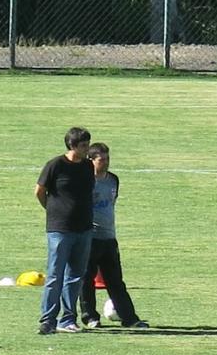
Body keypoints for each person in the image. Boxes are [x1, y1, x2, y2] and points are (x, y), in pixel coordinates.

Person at [79, 142, 148, 328]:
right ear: (91, 160)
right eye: (102, 159)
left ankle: (130, 318)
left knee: (115, 280)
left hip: (109, 237)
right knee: (87, 280)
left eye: (108, 158)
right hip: (89, 237)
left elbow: (112, 203)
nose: (106, 163)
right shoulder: (84, 181)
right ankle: (90, 317)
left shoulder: (113, 180)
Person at [35, 127, 95, 334]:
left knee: (76, 275)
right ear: (72, 146)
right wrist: (53, 210)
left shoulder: (88, 166)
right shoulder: (55, 165)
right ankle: (48, 320)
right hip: (59, 229)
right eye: (83, 146)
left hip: (85, 229)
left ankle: (68, 319)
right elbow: (40, 191)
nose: (87, 149)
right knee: (55, 275)